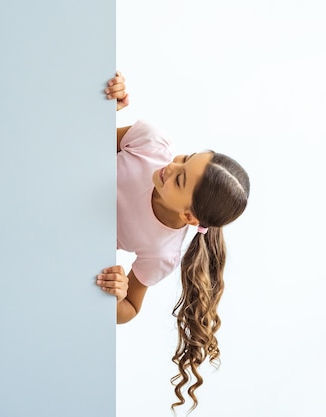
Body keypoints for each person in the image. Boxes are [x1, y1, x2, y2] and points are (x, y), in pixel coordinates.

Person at [97, 72, 250, 412]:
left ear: (189, 218)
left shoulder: (162, 252)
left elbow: (129, 310)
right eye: (185, 159)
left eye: (179, 178)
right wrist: (105, 108)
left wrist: (119, 293)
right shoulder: (152, 143)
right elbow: (81, 140)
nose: (172, 165)